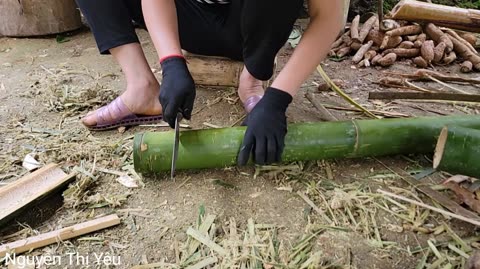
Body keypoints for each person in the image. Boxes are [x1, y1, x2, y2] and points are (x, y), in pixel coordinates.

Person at [76, 0, 344, 166]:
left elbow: (329, 15)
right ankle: (141, 85)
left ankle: (252, 78)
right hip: (187, 19)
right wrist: (171, 62)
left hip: (249, 27)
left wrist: (278, 98)